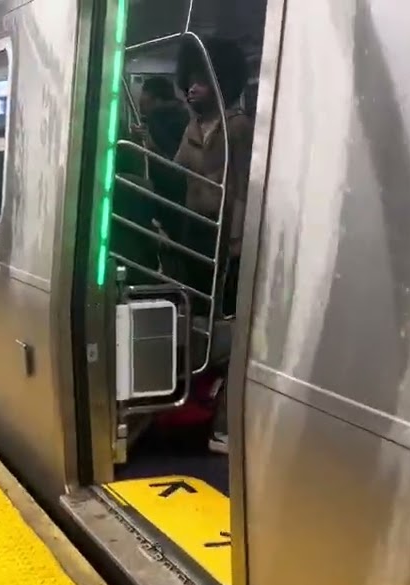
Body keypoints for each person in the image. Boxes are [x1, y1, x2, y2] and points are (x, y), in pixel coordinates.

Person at [170, 39, 253, 454]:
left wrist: (237, 239)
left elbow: (241, 189)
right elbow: (175, 171)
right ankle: (202, 392)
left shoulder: (237, 127)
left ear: (220, 80)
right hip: (193, 229)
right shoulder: (191, 129)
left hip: (224, 231)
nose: (192, 89)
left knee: (223, 313)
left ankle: (217, 395)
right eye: (189, 82)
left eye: (201, 81)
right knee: (197, 310)